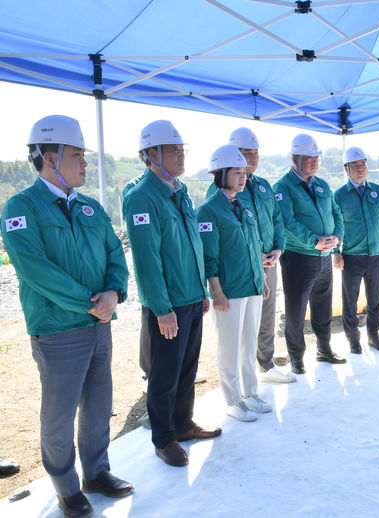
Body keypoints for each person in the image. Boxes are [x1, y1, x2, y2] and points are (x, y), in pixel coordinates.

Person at [1, 115, 133, 517]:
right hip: (59, 330)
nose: (86, 163)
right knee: (58, 414)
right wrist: (90, 302)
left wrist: (113, 292)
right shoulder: (21, 207)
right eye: (77, 155)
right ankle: (66, 487)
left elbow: (115, 254)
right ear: (49, 158)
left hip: (98, 325)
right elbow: (35, 269)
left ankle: (96, 472)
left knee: (98, 405)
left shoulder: (90, 207)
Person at [124, 120, 220, 468]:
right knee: (164, 376)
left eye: (182, 149)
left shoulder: (179, 191)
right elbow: (147, 261)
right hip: (168, 305)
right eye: (173, 149)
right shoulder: (141, 198)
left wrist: (201, 290)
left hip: (191, 298)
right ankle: (164, 438)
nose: (181, 154)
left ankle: (182, 423)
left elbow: (191, 244)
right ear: (151, 155)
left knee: (187, 369)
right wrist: (162, 308)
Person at [208, 128, 294, 383]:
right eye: (246, 153)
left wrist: (278, 248)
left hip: (269, 263)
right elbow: (222, 239)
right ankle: (238, 384)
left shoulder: (264, 186)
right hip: (241, 268)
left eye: (255, 153)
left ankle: (265, 365)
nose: (252, 158)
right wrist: (257, 254)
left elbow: (278, 219)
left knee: (266, 315)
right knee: (239, 328)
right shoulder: (221, 191)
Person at [198, 145, 273, 422]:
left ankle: (250, 393)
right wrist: (216, 292)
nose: (243, 177)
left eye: (244, 172)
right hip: (229, 291)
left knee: (249, 343)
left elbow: (255, 247)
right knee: (229, 346)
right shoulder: (208, 211)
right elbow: (209, 256)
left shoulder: (244, 207)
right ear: (220, 174)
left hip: (252, 286)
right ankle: (232, 399)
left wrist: (262, 279)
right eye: (237, 172)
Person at [273, 134, 345, 375]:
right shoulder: (282, 187)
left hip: (324, 258)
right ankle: (296, 356)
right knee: (295, 309)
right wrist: (314, 241)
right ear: (295, 158)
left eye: (317, 158)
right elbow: (286, 222)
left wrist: (337, 238)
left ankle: (324, 349)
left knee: (322, 307)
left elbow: (337, 213)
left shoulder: (322, 185)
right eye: (309, 158)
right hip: (299, 258)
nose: (314, 162)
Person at [332, 146, 379, 354]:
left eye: (363, 164)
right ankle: (353, 339)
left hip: (376, 253)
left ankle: (374, 335)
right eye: (355, 166)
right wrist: (336, 253)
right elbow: (334, 225)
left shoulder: (378, 191)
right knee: (350, 298)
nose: (360, 169)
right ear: (346, 168)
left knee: (375, 298)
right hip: (351, 255)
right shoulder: (339, 195)